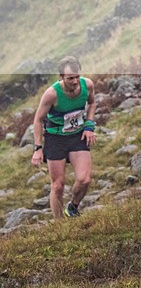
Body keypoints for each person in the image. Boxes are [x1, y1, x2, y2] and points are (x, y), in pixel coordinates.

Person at [31, 56, 96, 218]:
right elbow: (38, 120)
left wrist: (89, 126)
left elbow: (92, 103)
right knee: (58, 186)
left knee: (84, 180)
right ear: (61, 77)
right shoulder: (52, 94)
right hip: (55, 139)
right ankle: (59, 225)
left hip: (77, 136)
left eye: (77, 77)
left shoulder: (87, 85)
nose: (75, 82)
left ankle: (72, 207)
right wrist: (38, 148)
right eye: (70, 78)